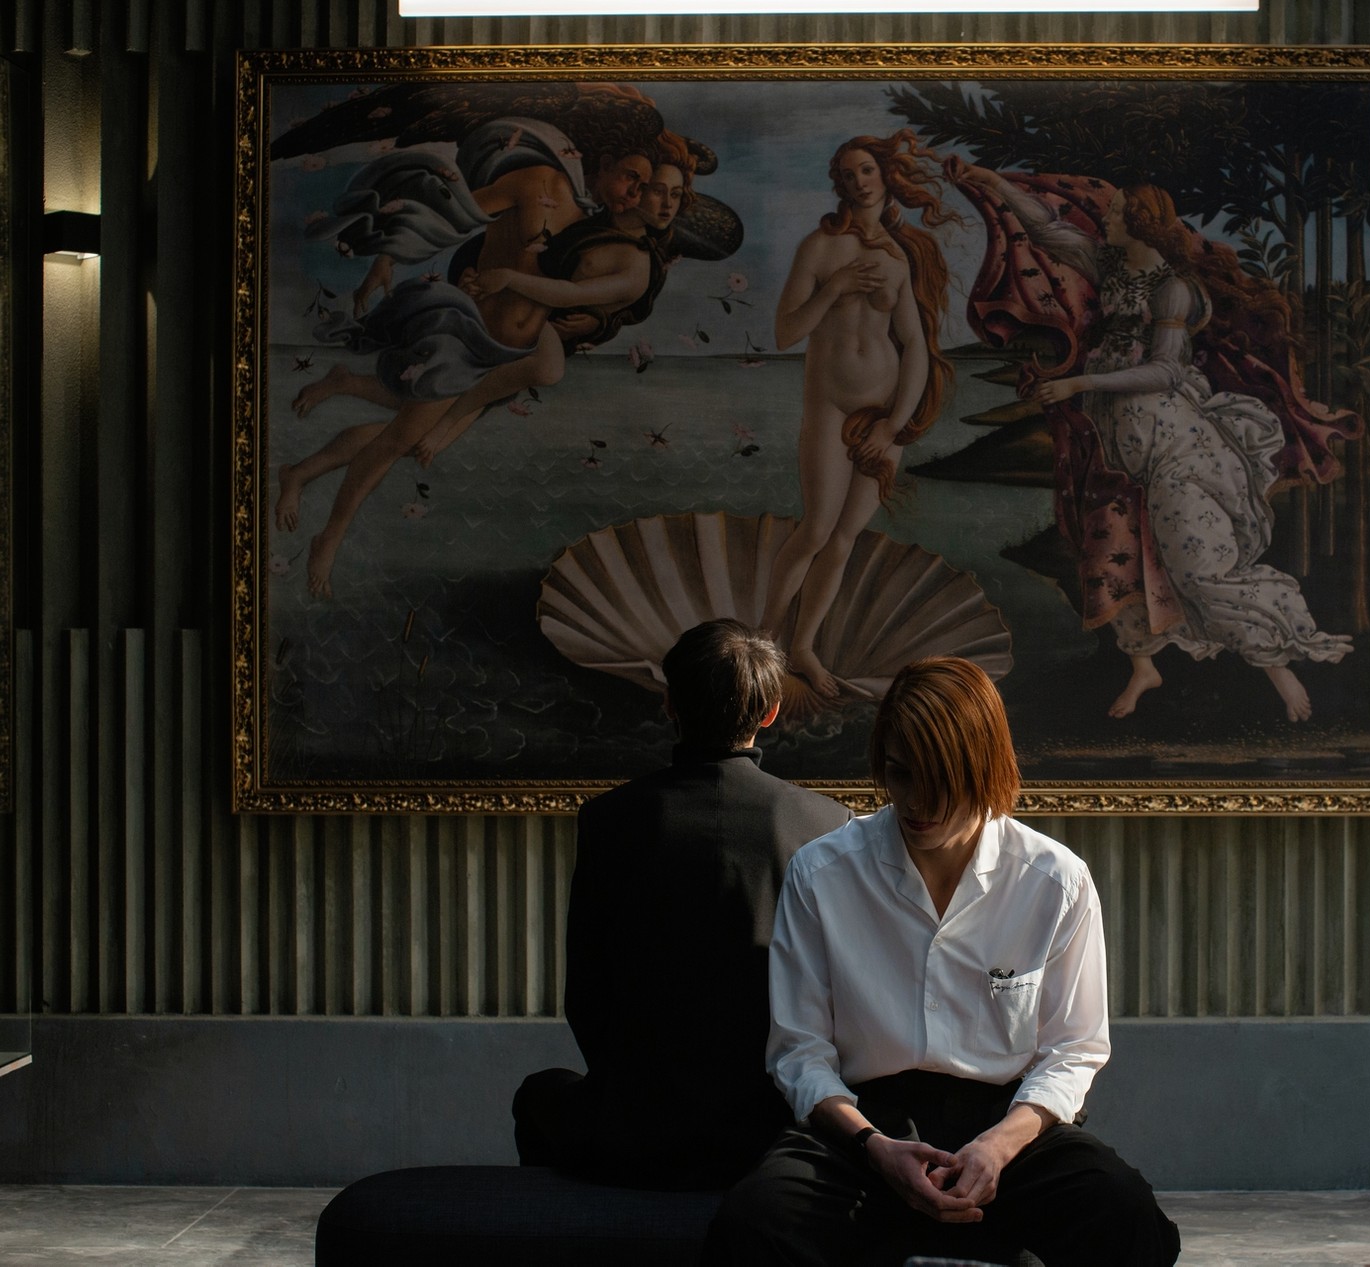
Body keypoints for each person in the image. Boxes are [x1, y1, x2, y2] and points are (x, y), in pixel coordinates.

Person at [702, 657, 1180, 1266]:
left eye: (939, 780)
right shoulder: (822, 873)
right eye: (900, 773)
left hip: (1006, 1125)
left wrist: (998, 1147)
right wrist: (872, 1145)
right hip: (861, 1126)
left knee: (1127, 1215)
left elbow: (1073, 1050)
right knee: (755, 1225)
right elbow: (800, 1051)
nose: (915, 801)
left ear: (984, 769)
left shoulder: (1054, 881)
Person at [948, 159, 1353, 721]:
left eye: (1116, 212)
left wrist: (1081, 382)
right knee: (1112, 551)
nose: (1105, 218)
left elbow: (1165, 371)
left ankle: (1279, 670)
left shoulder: (1172, 290)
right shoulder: (1111, 266)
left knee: (1196, 565)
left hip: (1171, 441)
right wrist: (993, 184)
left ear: (1139, 222)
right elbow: (1046, 229)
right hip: (1115, 438)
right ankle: (1143, 666)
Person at [275, 128, 694, 595]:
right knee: (399, 440)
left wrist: (574, 311)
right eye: (634, 180)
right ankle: (329, 536)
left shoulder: (593, 231)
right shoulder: (540, 184)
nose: (637, 194)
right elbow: (453, 214)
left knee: (403, 429)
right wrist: (388, 257)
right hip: (465, 333)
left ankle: (312, 447)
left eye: (647, 187)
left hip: (503, 354)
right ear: (603, 164)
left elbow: (569, 294)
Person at [511, 619, 852, 1185]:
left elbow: (587, 994)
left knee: (538, 1093)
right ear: (770, 712)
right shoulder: (827, 825)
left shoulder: (609, 819)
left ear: (669, 703)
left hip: (637, 1131)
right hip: (772, 1132)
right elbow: (840, 998)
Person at [760, 132, 958, 702]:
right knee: (816, 529)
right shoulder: (819, 248)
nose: (859, 182)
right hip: (830, 406)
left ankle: (803, 647)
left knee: (845, 536)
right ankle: (765, 641)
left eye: (867, 170)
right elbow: (785, 333)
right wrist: (838, 288)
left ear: (885, 174)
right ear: (839, 184)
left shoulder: (898, 255)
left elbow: (913, 345)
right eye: (848, 174)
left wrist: (894, 423)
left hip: (883, 413)